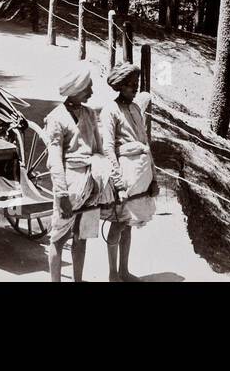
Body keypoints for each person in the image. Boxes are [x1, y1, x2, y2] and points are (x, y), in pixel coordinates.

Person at [44, 64, 117, 282]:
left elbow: (98, 148)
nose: (92, 92)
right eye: (88, 88)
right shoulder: (56, 118)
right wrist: (62, 194)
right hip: (70, 186)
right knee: (58, 238)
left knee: (82, 237)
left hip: (91, 184)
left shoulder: (89, 113)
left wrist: (106, 183)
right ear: (75, 89)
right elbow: (55, 159)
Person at [101, 62, 158, 281]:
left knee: (129, 224)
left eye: (136, 84)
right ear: (120, 86)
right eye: (130, 85)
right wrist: (118, 182)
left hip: (140, 175)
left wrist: (154, 177)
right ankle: (112, 274)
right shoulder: (110, 111)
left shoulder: (135, 109)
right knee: (118, 223)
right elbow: (107, 147)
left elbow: (144, 142)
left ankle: (124, 270)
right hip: (123, 175)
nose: (134, 89)